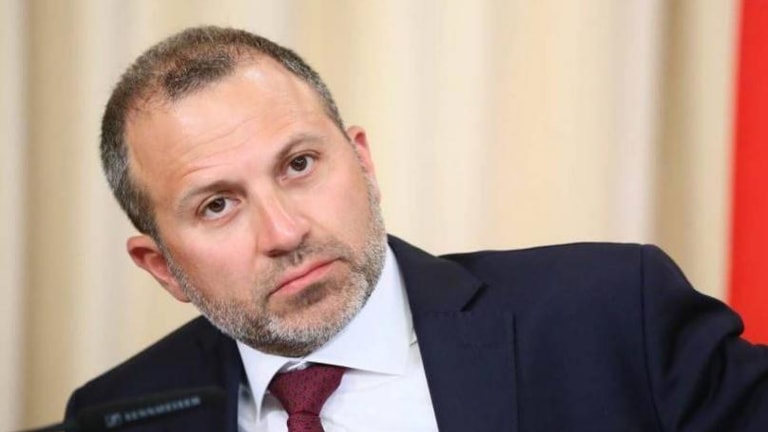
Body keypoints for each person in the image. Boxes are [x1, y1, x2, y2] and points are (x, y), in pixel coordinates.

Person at [66, 25, 768, 432]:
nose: (284, 231)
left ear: (362, 161)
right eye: (217, 205)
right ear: (162, 267)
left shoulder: (610, 313)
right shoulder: (117, 414)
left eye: (300, 165)